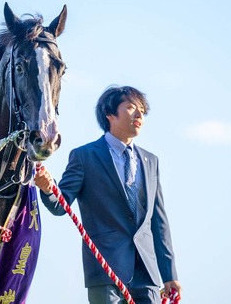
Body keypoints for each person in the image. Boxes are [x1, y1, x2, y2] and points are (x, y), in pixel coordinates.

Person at [35, 85, 182, 304]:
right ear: (110, 114)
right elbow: (60, 205)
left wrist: (170, 275)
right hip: (105, 270)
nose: (140, 114)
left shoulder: (151, 161)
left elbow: (159, 223)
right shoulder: (84, 156)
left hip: (147, 275)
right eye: (131, 107)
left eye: (142, 109)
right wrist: (48, 188)